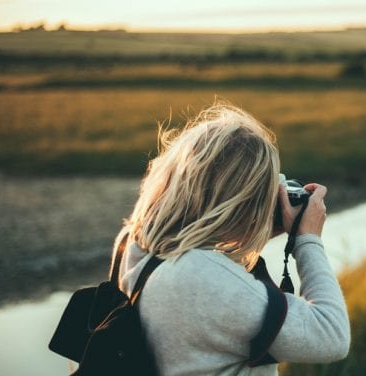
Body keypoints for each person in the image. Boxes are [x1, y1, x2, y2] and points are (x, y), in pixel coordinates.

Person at [111, 103, 350, 375]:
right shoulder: (199, 277)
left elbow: (208, 328)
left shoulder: (137, 247)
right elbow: (332, 336)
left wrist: (252, 231)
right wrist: (307, 240)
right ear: (240, 198)